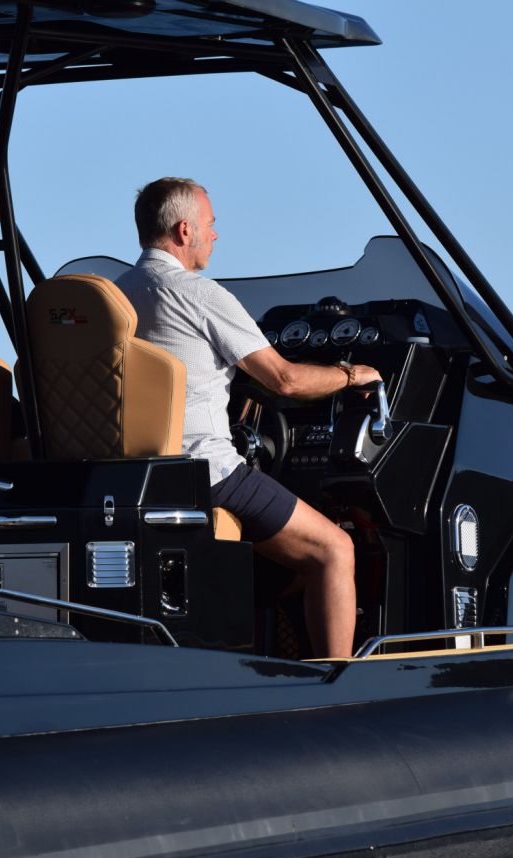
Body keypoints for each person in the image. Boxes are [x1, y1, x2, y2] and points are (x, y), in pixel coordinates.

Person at [115, 178, 381, 660]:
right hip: (207, 472)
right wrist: (351, 374)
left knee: (289, 568)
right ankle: (336, 683)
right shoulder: (198, 294)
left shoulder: (115, 296)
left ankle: (274, 661)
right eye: (211, 225)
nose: (216, 235)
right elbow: (285, 380)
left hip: (134, 474)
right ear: (184, 230)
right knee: (334, 549)